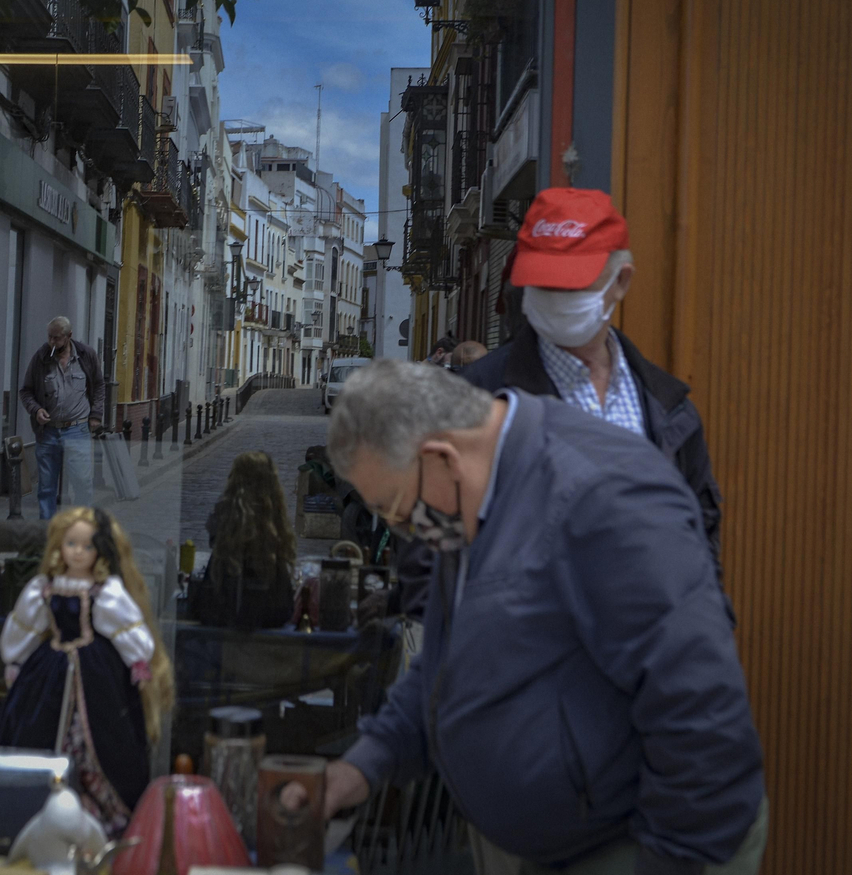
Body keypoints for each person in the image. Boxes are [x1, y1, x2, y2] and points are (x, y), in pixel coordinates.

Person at [311, 360, 766, 874]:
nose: (405, 529)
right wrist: (366, 765)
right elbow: (448, 664)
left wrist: (668, 862)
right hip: (560, 845)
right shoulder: (466, 502)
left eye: (396, 509)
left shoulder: (601, 497)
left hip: (636, 845)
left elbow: (701, 711)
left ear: (442, 458)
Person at [460, 188, 726, 595]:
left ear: (620, 282)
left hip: (646, 647)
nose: (554, 301)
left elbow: (700, 538)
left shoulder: (670, 409)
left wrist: (703, 627)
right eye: (542, 285)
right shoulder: (477, 397)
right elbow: (439, 554)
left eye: (571, 286)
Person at [0, 507, 174, 833]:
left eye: (87, 546)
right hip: (49, 669)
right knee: (38, 732)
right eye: (71, 543)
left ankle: (101, 814)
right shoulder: (43, 588)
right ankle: (37, 814)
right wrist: (15, 660)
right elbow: (25, 625)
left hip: (96, 673)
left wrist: (137, 662)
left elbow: (126, 629)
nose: (78, 551)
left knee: (104, 739)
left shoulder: (105, 593)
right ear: (59, 546)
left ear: (99, 551)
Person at [188, 452, 296, 629]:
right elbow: (282, 609)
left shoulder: (225, 514)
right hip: (269, 615)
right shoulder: (273, 518)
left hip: (222, 614)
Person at [18, 317, 105, 519]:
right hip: (49, 430)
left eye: (57, 338)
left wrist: (96, 415)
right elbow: (26, 391)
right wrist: (36, 410)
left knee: (82, 482)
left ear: (69, 336)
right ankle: (47, 531)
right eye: (50, 337)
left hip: (77, 428)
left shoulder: (86, 356)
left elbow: (99, 386)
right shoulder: (41, 358)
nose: (52, 342)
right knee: (47, 485)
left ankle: (82, 527)